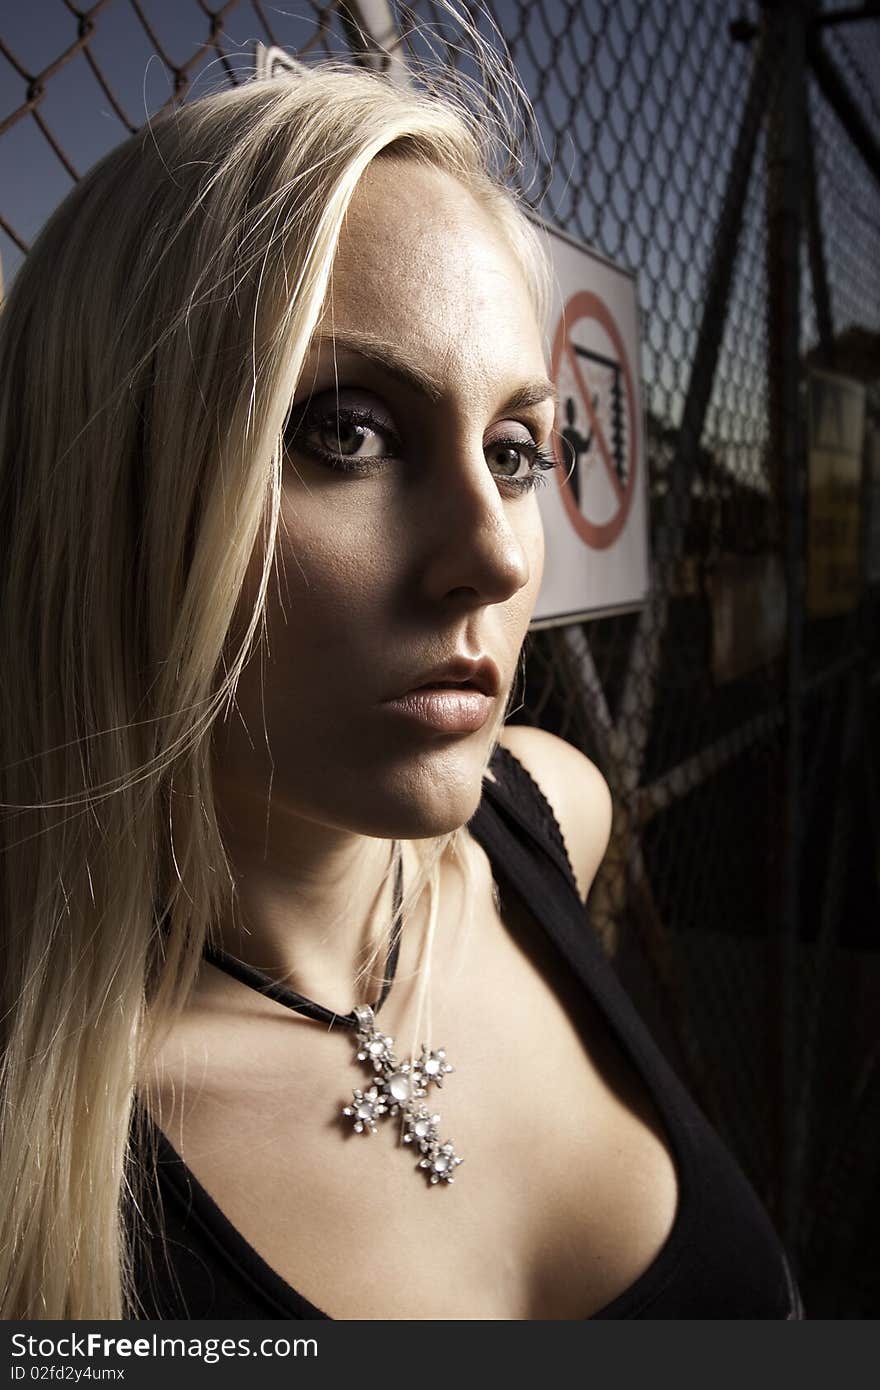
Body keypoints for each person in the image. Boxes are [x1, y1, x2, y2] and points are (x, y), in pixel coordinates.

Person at [0, 47, 803, 1321]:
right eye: (348, 432)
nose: (490, 553)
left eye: (515, 450)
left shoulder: (551, 814)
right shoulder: (36, 1171)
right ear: (112, 490)